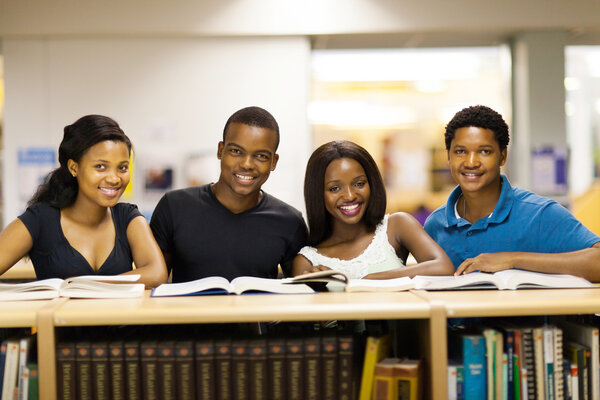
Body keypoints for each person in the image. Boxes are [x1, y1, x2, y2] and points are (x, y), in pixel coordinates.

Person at [424, 105, 600, 281]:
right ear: (448, 157)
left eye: (484, 151)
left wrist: (513, 259)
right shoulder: (435, 225)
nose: (471, 162)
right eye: (460, 151)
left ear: (502, 156)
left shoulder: (540, 214)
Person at [0, 115, 167, 287]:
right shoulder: (40, 220)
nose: (114, 178)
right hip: (57, 315)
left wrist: (86, 285)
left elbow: (156, 273)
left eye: (122, 167)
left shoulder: (128, 218)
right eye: (100, 167)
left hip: (116, 315)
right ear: (74, 167)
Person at [150, 106, 307, 282]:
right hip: (188, 310)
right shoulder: (174, 207)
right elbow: (153, 284)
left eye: (261, 156)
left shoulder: (290, 222)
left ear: (273, 162)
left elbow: (300, 291)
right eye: (236, 151)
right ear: (220, 150)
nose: (247, 164)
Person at [292, 140, 453, 279]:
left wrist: (371, 279)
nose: (349, 196)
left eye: (359, 184)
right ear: (317, 193)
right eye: (334, 188)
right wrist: (324, 290)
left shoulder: (396, 226)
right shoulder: (307, 261)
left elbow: (443, 268)